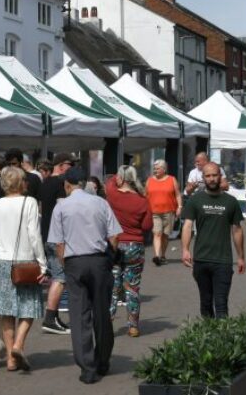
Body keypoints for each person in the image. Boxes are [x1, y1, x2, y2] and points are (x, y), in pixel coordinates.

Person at [49, 168, 121, 385]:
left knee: (79, 317)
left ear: (67, 185)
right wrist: (110, 257)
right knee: (102, 314)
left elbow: (58, 243)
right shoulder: (100, 202)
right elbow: (114, 235)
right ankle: (103, 360)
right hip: (99, 261)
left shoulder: (61, 207)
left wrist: (65, 262)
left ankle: (87, 368)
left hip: (75, 262)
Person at [0, 166, 48, 373]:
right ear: (21, 182)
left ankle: (11, 358)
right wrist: (43, 262)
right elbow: (34, 235)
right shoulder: (29, 203)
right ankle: (18, 345)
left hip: (0, 262)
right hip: (25, 262)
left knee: (6, 312)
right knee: (29, 308)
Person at [180, 162, 246, 319]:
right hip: (201, 259)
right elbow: (187, 226)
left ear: (220, 176)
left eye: (214, 175)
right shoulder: (196, 200)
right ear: (203, 178)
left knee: (221, 304)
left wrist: (241, 257)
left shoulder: (230, 202)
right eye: (208, 176)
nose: (211, 179)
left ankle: (222, 340)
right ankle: (209, 338)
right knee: (206, 303)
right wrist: (185, 249)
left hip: (223, 260)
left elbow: (236, 230)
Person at [105, 166, 152, 337]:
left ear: (121, 178)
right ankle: (133, 326)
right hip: (135, 246)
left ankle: (108, 322)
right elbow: (147, 226)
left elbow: (109, 182)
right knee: (132, 288)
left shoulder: (113, 195)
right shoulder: (142, 200)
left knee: (112, 286)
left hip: (115, 244)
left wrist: (116, 177)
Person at [39, 152, 76, 335]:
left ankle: (53, 318)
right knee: (60, 278)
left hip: (46, 235)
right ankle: (49, 317)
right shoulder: (60, 184)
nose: (72, 167)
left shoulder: (45, 182)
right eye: (70, 164)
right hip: (57, 237)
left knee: (58, 275)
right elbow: (65, 210)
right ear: (61, 165)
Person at [145, 159, 182, 266]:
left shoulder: (172, 179)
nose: (155, 170)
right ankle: (156, 256)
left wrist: (179, 206)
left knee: (165, 235)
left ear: (164, 169)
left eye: (157, 169)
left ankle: (163, 255)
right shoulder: (149, 180)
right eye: (154, 169)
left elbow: (178, 194)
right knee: (157, 233)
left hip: (169, 211)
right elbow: (145, 195)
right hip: (154, 212)